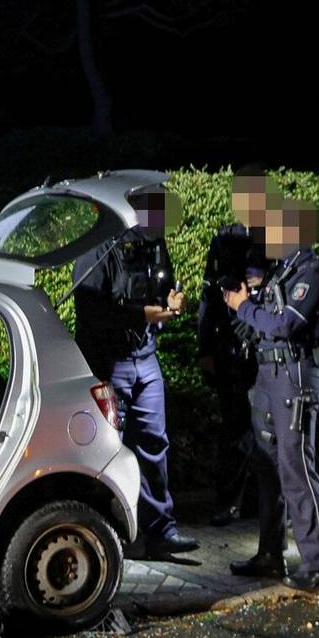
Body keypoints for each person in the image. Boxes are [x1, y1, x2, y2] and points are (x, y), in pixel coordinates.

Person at [73, 188, 196, 559]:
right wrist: (143, 314)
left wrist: (172, 303)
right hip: (111, 363)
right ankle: (111, 538)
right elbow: (92, 312)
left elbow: (162, 291)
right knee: (110, 451)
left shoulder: (154, 246)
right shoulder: (98, 249)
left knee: (155, 445)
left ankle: (161, 533)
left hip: (146, 358)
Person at [225, 197, 319, 588]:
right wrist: (250, 298)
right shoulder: (282, 270)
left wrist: (243, 308)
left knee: (295, 467)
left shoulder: (311, 271)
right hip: (269, 375)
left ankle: (316, 562)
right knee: (268, 467)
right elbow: (268, 314)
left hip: (295, 376)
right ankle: (271, 555)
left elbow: (287, 323)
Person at [197, 171, 270, 526]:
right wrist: (205, 348)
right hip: (232, 350)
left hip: (266, 349)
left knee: (267, 431)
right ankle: (229, 502)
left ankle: (263, 502)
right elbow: (208, 297)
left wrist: (265, 281)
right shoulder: (224, 238)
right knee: (234, 431)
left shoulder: (277, 237)